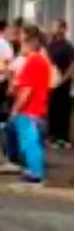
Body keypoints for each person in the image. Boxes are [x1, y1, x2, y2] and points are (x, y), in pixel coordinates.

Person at [10, 24, 50, 184]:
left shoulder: (33, 61)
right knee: (32, 142)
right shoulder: (40, 60)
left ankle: (35, 172)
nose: (20, 46)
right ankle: (33, 170)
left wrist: (16, 109)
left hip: (30, 110)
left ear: (31, 42)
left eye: (22, 42)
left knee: (30, 143)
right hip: (37, 109)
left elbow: (26, 90)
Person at [47, 19, 73, 147]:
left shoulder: (67, 46)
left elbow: (72, 65)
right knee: (52, 109)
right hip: (51, 82)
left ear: (63, 29)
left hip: (62, 83)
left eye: (55, 26)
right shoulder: (50, 44)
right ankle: (53, 135)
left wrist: (64, 79)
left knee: (62, 109)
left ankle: (63, 138)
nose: (52, 29)